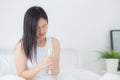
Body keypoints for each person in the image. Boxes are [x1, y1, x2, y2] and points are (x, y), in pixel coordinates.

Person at [14, 6, 61, 80]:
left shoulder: (55, 42)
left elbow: (55, 73)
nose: (42, 31)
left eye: (44, 26)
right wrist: (41, 65)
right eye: (37, 28)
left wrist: (53, 66)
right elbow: (21, 75)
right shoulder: (21, 46)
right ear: (30, 28)